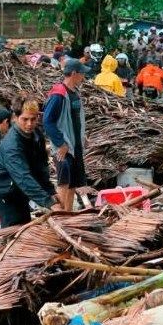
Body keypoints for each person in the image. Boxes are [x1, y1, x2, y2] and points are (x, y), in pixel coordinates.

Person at [0, 100, 55, 226]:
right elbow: (23, 177)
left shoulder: (36, 135)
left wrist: (51, 191)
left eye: (33, 119)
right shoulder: (12, 145)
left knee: (24, 224)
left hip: (19, 188)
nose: (29, 124)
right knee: (13, 227)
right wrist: (48, 202)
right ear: (16, 117)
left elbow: (41, 166)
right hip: (3, 188)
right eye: (25, 119)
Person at [43, 59, 89, 211]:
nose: (83, 77)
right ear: (74, 73)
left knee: (73, 183)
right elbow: (48, 121)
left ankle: (68, 214)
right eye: (82, 74)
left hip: (75, 146)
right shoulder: (59, 94)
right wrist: (60, 143)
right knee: (64, 182)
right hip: (64, 148)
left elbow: (77, 119)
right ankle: (61, 217)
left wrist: (82, 137)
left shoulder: (75, 93)